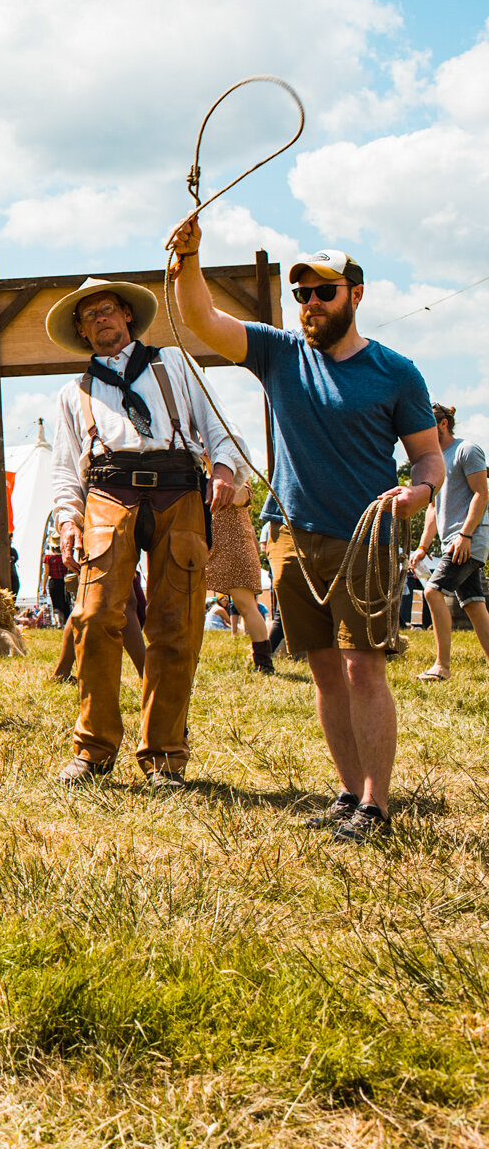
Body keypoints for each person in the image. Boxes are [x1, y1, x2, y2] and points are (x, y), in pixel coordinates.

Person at [166, 222, 441, 842]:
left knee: (362, 668)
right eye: (302, 294)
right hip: (290, 537)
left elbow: (428, 458)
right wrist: (188, 258)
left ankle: (377, 805)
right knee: (321, 666)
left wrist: (418, 492)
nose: (310, 303)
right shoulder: (278, 353)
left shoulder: (396, 373)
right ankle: (347, 792)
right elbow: (202, 319)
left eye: (324, 291)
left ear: (356, 294)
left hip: (365, 539)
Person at [45, 278, 247, 787]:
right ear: (81, 331)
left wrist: (223, 468)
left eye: (107, 310)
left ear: (128, 316)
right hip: (108, 494)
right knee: (93, 616)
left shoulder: (174, 363)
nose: (100, 320)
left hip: (178, 489)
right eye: (89, 317)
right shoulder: (75, 392)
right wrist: (67, 517)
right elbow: (67, 468)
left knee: (176, 625)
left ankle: (164, 757)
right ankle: (93, 750)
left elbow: (219, 424)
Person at [414, 405, 488, 681]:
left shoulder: (466, 451)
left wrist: (466, 535)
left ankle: (442, 666)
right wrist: (422, 547)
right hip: (451, 543)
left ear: (443, 424)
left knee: (434, 592)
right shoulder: (435, 460)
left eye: (427, 424)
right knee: (473, 603)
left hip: (466, 541)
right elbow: (433, 509)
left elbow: (482, 493)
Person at [207, 477, 272, 674]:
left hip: (236, 548)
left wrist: (216, 472)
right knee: (190, 604)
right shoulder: (200, 475)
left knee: (246, 605)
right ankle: (190, 658)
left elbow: (238, 497)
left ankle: (264, 663)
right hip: (207, 548)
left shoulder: (238, 477)